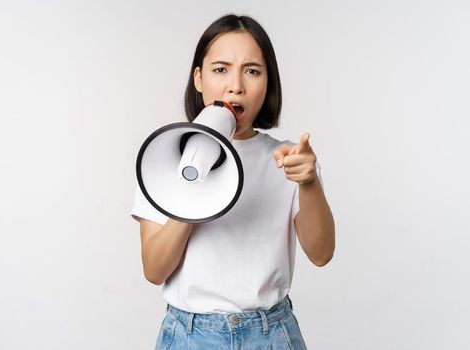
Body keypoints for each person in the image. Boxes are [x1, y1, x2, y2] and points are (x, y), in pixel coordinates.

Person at [131, 14, 335, 349]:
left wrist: (309, 183)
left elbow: (322, 253)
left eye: (252, 71)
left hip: (270, 334)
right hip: (189, 335)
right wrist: (195, 189)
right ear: (198, 78)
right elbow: (155, 269)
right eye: (220, 69)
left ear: (267, 82)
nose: (235, 85)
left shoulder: (288, 159)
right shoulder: (164, 158)